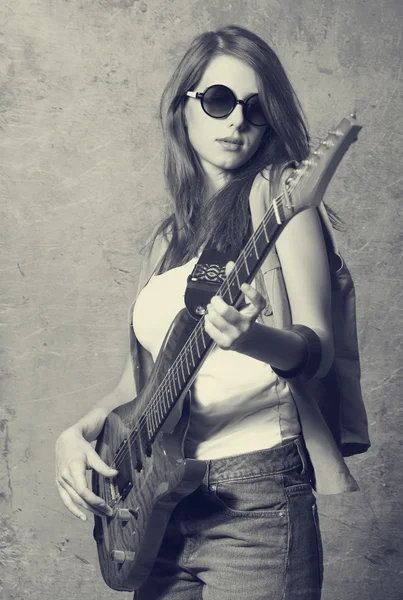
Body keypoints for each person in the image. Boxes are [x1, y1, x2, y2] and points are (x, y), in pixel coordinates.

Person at [56, 25, 360, 600]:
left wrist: (253, 339)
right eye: (218, 101)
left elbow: (316, 350)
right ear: (184, 109)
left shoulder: (281, 202)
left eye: (255, 107)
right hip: (160, 507)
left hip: (256, 502)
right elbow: (139, 382)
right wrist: (78, 432)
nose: (236, 121)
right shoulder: (167, 241)